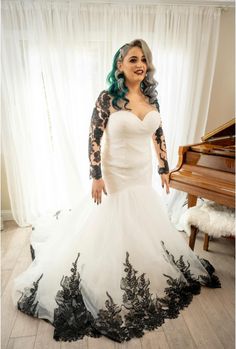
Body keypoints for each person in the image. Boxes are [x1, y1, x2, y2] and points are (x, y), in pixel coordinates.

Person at [12, 39, 221, 344]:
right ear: (119, 65)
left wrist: (164, 168)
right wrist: (95, 176)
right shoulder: (107, 98)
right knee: (111, 226)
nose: (140, 64)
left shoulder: (152, 99)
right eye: (133, 59)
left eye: (144, 60)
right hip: (114, 174)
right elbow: (94, 137)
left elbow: (158, 134)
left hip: (141, 173)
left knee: (141, 226)